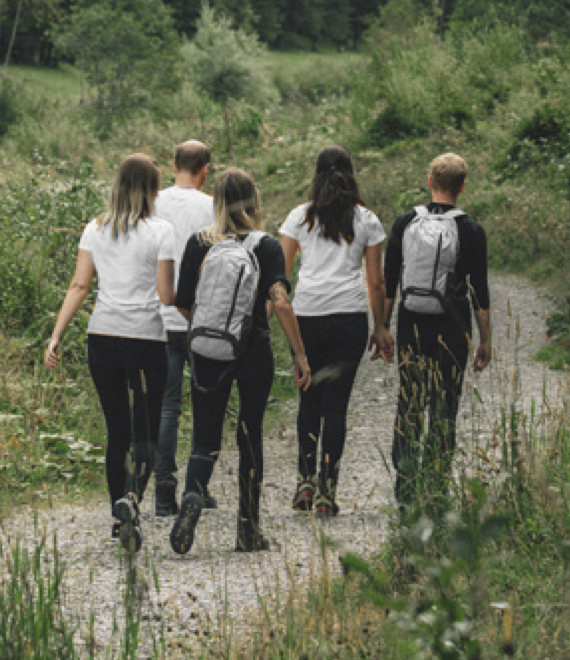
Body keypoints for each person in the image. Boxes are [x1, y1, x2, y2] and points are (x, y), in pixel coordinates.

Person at [170, 167, 312, 555]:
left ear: (216, 201)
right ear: (254, 201)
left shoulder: (198, 243)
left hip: (207, 352)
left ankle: (193, 495)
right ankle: (248, 530)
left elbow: (181, 302)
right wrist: (299, 353)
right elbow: (279, 300)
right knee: (250, 435)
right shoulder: (265, 246)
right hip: (253, 351)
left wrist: (209, 331)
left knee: (205, 434)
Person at [45, 154, 175, 552]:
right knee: (147, 432)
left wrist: (55, 336)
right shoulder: (162, 231)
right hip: (146, 340)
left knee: (117, 430)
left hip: (101, 338)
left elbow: (79, 287)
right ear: (153, 190)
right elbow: (166, 295)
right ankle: (132, 499)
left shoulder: (94, 229)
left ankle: (119, 518)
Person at [279, 145, 393, 517]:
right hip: (348, 317)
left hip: (308, 314)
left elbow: (281, 273)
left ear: (316, 174)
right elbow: (376, 282)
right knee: (337, 405)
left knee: (309, 399)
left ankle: (304, 483)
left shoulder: (299, 217)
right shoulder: (367, 220)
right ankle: (328, 490)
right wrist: (381, 327)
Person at [383, 152, 491, 518]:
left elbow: (388, 283)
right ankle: (437, 484)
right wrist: (485, 340)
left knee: (410, 399)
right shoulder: (471, 230)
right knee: (445, 402)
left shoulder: (404, 222)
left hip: (411, 322)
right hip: (453, 326)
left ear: (430, 182)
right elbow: (480, 291)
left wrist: (382, 326)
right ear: (462, 186)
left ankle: (406, 483)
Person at [151, 140, 216, 517]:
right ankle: (198, 485)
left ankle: (163, 489)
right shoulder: (211, 207)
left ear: (171, 164)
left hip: (159, 318)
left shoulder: (153, 202)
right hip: (200, 317)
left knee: (166, 406)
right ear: (205, 169)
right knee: (206, 402)